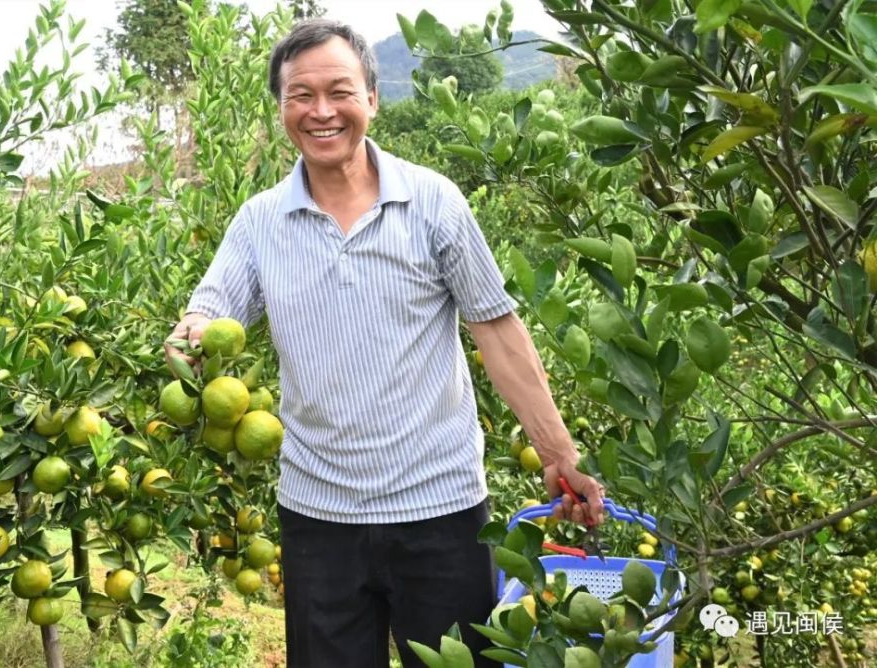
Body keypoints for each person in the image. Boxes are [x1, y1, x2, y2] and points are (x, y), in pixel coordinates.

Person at [164, 18, 604, 668]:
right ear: (282, 108)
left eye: (338, 91)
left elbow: (496, 329)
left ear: (371, 98)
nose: (320, 111)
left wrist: (557, 451)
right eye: (300, 95)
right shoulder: (260, 222)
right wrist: (189, 340)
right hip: (318, 519)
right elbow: (210, 310)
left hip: (443, 510)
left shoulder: (434, 204)